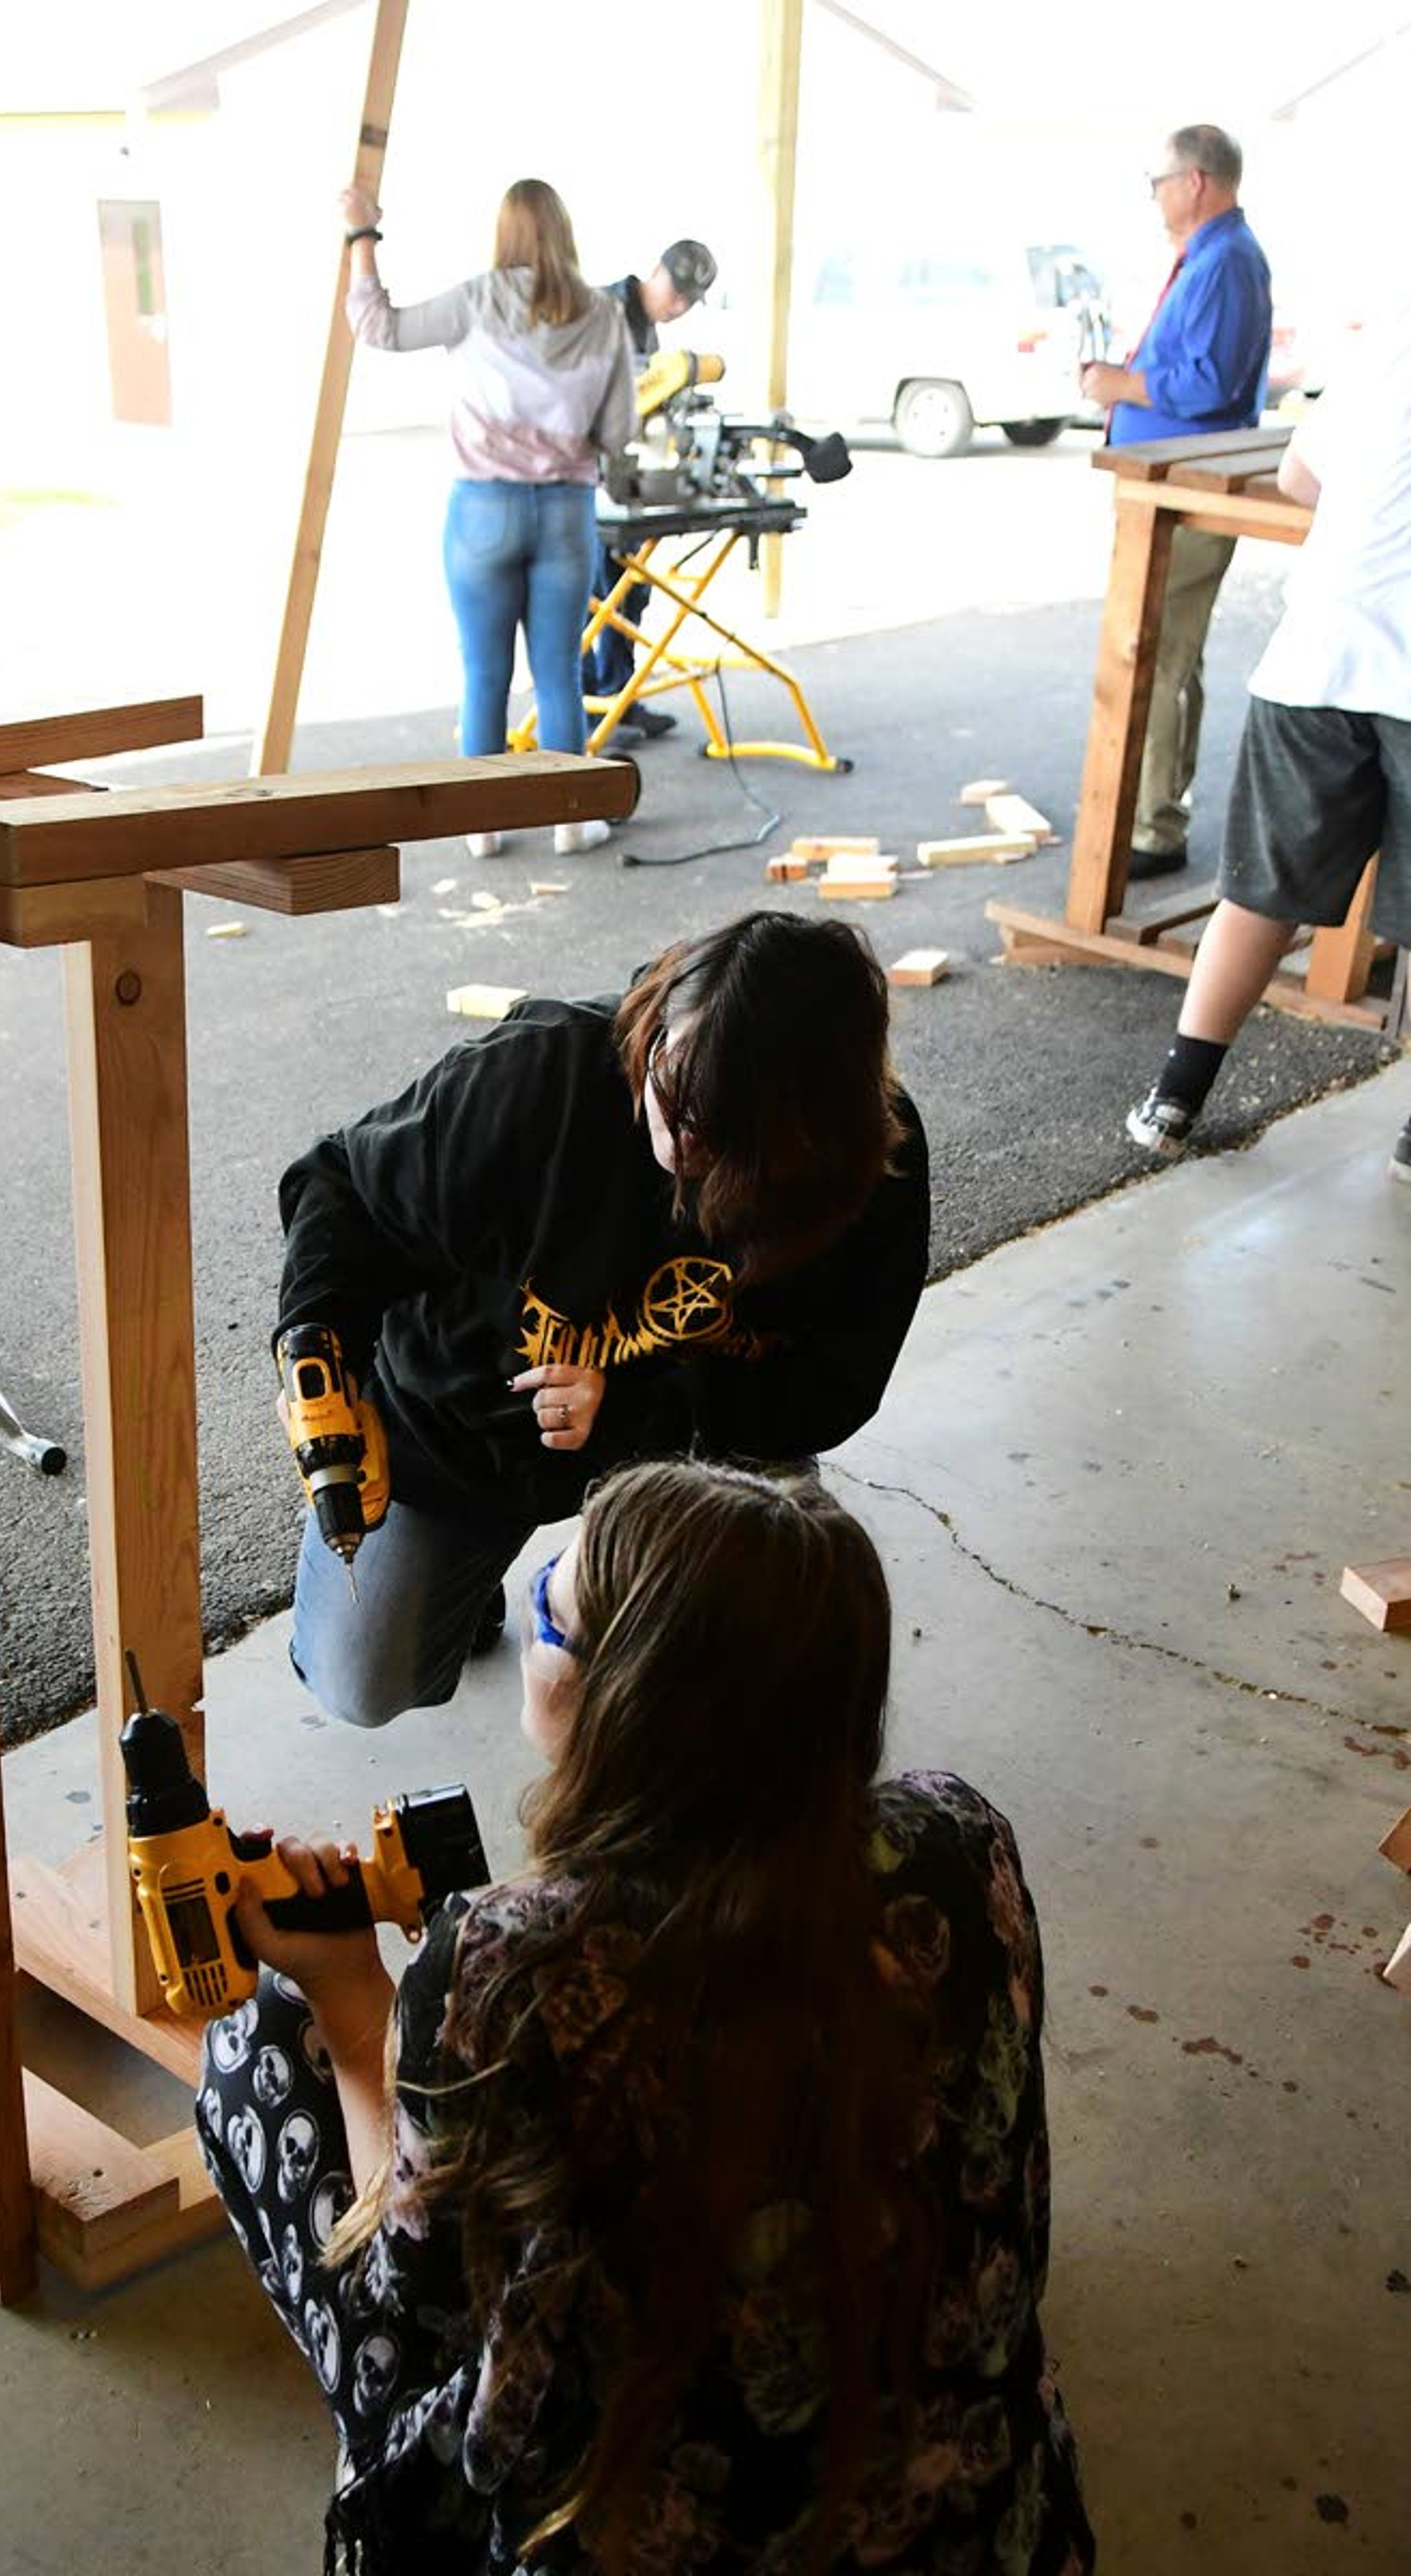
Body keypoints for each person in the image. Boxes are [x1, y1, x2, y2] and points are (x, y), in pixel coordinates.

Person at [195, 1456, 1097, 2574]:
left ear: (627, 1700)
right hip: (990, 2533)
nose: (529, 1611)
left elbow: (416, 2310)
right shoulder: (963, 1840)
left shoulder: (506, 1958)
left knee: (256, 2053)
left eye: (551, 1614)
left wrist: (349, 1996)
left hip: (649, 2540)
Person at [276, 910, 930, 1730]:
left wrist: (645, 1414)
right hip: (467, 1420)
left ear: (803, 1141)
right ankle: (466, 1580)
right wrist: (317, 1340)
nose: (681, 1139)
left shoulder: (871, 1170)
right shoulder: (540, 1072)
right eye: (672, 1085)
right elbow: (341, 1187)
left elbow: (836, 1387)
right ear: (662, 1018)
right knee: (362, 1685)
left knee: (757, 1670)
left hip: (692, 1445)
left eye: (719, 1130)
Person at [1127, 289, 1411, 1182]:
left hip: (1318, 658)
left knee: (1260, 893)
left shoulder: (1387, 337)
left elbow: (1299, 478)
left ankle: (1175, 1098)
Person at [341, 176, 635, 861]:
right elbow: (620, 431)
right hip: (565, 511)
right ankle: (572, 819)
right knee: (559, 670)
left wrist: (362, 236)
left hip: (483, 511)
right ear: (564, 232)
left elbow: (378, 326)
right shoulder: (604, 317)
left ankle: (482, 826)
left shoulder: (475, 301)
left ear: (504, 233)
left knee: (485, 675)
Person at [1079, 124, 1272, 881]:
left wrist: (1117, 386)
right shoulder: (1212, 258)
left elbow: (1210, 384)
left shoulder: (1226, 261)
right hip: (1169, 483)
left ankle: (1154, 823)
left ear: (1196, 181)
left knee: (1158, 654)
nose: (1154, 195)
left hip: (1189, 487)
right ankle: (1151, 810)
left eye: (1158, 180)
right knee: (1161, 653)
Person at [585, 239, 720, 739]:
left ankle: (621, 694)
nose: (679, 306)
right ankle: (592, 708)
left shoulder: (650, 333)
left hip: (624, 476)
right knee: (595, 598)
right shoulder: (602, 312)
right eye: (676, 292)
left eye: (689, 301)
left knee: (630, 591)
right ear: (655, 270)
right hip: (586, 475)